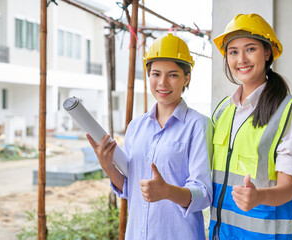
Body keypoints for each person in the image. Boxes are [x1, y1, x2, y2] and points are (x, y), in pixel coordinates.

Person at [87, 33, 213, 240]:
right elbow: (131, 189)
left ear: (186, 78)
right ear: (148, 75)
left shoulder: (198, 125)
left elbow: (204, 194)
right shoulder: (136, 127)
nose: (162, 82)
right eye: (156, 74)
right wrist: (107, 165)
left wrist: (167, 191)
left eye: (172, 75)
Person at [209, 13, 292, 240]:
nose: (241, 59)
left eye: (250, 49)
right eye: (233, 51)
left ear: (267, 52)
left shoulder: (289, 112)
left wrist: (258, 197)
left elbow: (288, 189)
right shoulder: (222, 112)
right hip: (222, 234)